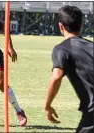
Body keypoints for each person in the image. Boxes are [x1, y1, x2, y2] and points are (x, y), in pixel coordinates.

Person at [45, 5, 94, 133]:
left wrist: (47, 105)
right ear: (81, 25)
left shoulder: (62, 49)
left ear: (60, 26)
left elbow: (56, 76)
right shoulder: (91, 46)